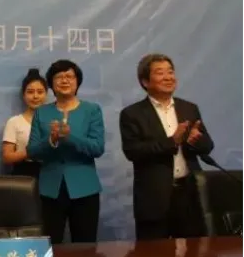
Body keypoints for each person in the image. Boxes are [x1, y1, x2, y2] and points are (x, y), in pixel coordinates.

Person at [119, 54, 213, 240]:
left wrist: (195, 140)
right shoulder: (132, 114)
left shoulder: (189, 108)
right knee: (153, 254)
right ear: (145, 82)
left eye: (170, 72)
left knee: (194, 253)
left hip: (189, 194)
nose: (168, 77)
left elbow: (208, 146)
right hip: (154, 197)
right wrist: (172, 141)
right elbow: (133, 151)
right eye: (160, 73)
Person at [27, 60, 105, 244]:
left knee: (85, 246)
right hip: (50, 188)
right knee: (50, 245)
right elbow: (32, 150)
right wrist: (52, 140)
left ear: (77, 82)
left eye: (69, 76)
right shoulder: (42, 112)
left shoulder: (92, 110)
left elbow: (97, 147)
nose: (64, 80)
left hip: (85, 188)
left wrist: (70, 137)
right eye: (59, 77)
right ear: (51, 84)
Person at [2, 69, 48, 178]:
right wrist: (31, 152)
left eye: (40, 92)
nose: (35, 96)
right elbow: (7, 157)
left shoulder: (54, 121)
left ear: (46, 94)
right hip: (22, 176)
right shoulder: (14, 122)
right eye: (30, 92)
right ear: (23, 95)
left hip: (50, 174)